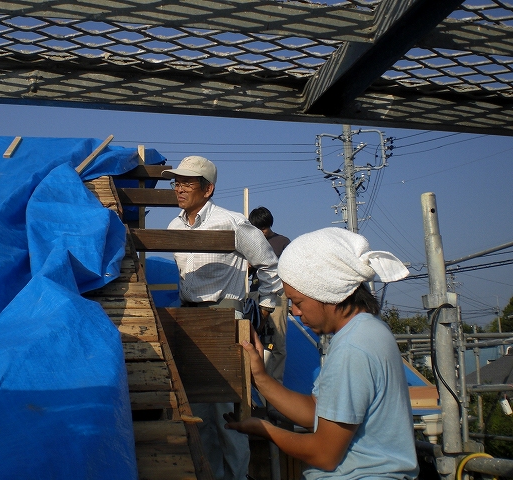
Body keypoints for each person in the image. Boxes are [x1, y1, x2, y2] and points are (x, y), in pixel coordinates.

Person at [224, 227, 419, 479]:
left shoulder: (353, 347)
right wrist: (260, 376)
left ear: (326, 292)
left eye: (299, 302)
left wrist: (266, 429)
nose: (295, 312)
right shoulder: (366, 332)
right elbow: (317, 412)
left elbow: (324, 455)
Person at [162, 156, 283, 480]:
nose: (179, 188)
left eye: (187, 182)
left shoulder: (231, 223)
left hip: (224, 315)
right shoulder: (174, 227)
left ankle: (237, 475)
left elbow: (269, 263)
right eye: (176, 181)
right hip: (190, 318)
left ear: (208, 188)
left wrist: (268, 304)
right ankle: (210, 474)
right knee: (199, 409)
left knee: (227, 409)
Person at [248, 206, 291, 383]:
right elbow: (244, 272)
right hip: (256, 293)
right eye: (257, 229)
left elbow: (291, 271)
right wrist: (249, 266)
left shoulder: (282, 242)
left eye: (263, 229)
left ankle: (276, 386)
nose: (261, 233)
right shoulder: (250, 244)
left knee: (278, 341)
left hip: (278, 293)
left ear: (269, 226)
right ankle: (254, 385)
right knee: (251, 336)